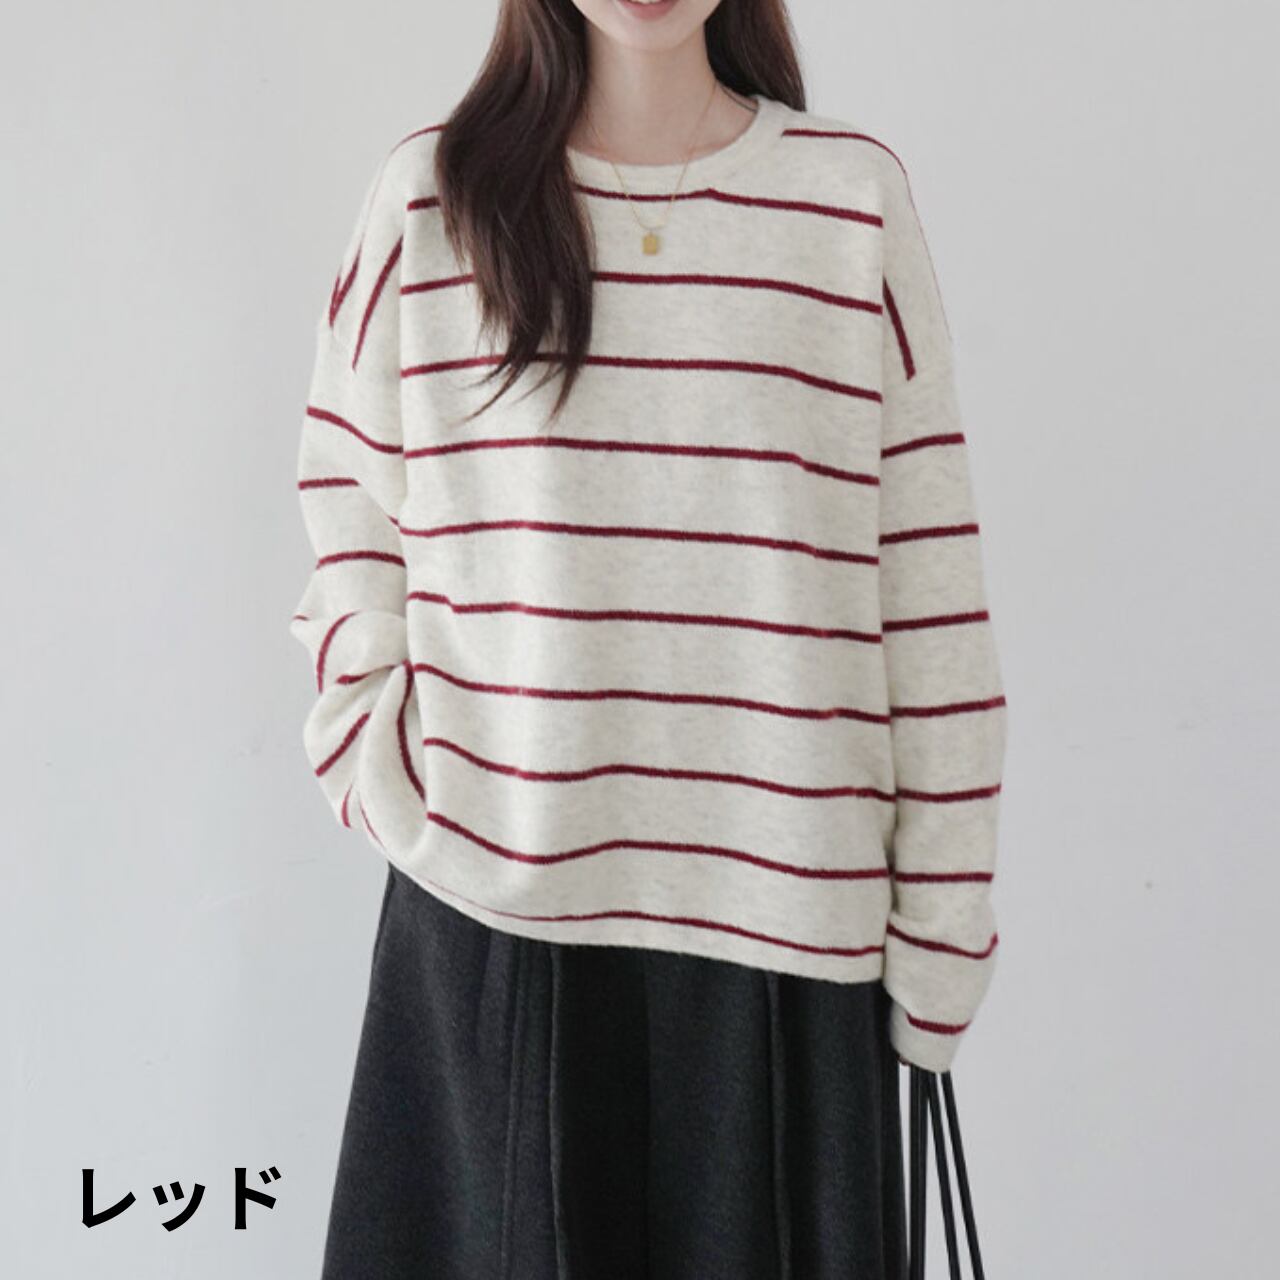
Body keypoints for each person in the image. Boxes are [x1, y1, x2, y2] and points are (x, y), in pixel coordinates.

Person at [288, 1, 1009, 1275]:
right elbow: (348, 506)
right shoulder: (433, 201)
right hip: (499, 918)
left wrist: (940, 939)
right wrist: (380, 759)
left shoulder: (846, 202)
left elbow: (927, 585)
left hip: (785, 945)